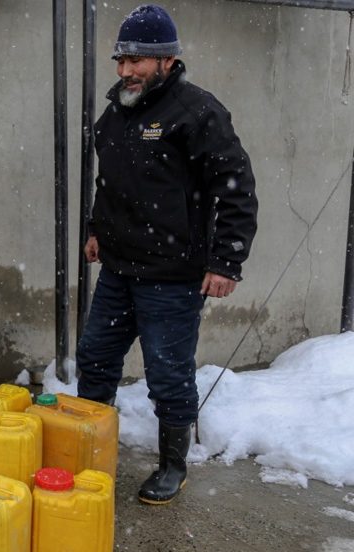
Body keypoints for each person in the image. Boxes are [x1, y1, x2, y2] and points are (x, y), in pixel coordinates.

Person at [76, 4, 258, 505]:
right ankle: (88, 447)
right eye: (121, 59)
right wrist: (96, 229)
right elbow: (110, 182)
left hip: (174, 277)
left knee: (168, 375)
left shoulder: (197, 112)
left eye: (136, 60)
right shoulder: (119, 110)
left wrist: (226, 261)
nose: (125, 70)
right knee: (95, 359)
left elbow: (237, 190)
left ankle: (173, 465)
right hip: (118, 269)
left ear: (167, 60)